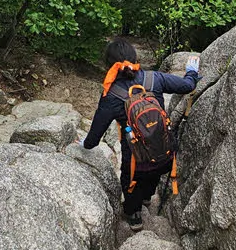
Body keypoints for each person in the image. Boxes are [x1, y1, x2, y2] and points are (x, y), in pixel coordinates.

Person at [82, 38, 200, 230]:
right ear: (134, 58)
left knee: (131, 182)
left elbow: (93, 138)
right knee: (152, 174)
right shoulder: (155, 78)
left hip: (136, 161)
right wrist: (192, 72)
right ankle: (146, 198)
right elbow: (188, 86)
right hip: (164, 154)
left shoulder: (111, 95)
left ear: (109, 64)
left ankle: (134, 215)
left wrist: (84, 144)